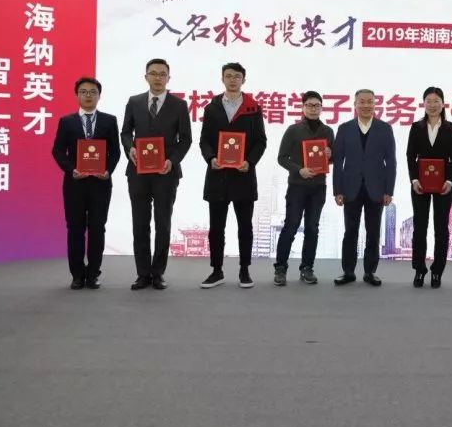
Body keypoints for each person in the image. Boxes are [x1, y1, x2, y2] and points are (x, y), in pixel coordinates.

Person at [120, 58, 192, 291]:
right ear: (146, 77)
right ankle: (142, 274)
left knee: (163, 223)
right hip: (138, 172)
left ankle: (158, 272)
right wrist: (130, 148)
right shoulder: (134, 102)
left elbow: (186, 139)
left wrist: (172, 161)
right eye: (153, 73)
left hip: (166, 172)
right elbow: (125, 132)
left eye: (163, 74)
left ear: (169, 78)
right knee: (140, 223)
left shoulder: (179, 105)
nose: (158, 77)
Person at [198, 62, 267, 290]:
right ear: (222, 79)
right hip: (217, 175)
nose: (233, 80)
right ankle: (216, 271)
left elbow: (261, 141)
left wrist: (250, 162)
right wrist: (211, 158)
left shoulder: (253, 107)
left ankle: (244, 270)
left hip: (243, 175)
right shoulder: (212, 107)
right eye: (228, 76)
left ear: (243, 80)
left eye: (237, 76)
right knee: (216, 228)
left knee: (245, 226)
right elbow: (204, 140)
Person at [51, 77, 121, 290]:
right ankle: (77, 275)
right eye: (83, 92)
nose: (88, 95)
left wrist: (108, 170)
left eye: (93, 92)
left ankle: (93, 274)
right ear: (77, 95)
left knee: (98, 228)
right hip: (75, 184)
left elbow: (115, 151)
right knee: (75, 228)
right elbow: (57, 150)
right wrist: (71, 169)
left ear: (99, 96)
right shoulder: (67, 121)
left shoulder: (109, 120)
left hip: (100, 184)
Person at [332, 89, 396, 287]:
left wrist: (389, 191)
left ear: (375, 105)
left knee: (373, 232)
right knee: (350, 232)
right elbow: (338, 162)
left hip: (376, 189)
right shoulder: (344, 129)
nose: (366, 105)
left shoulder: (385, 129)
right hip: (350, 188)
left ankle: (370, 272)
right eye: (362, 101)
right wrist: (337, 190)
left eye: (370, 102)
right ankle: (348, 271)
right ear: (355, 104)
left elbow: (391, 162)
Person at [273, 91, 334, 286]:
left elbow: (332, 158)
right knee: (291, 225)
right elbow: (282, 158)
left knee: (312, 228)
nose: (313, 109)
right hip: (297, 186)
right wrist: (299, 170)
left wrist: (330, 154)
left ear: (321, 108)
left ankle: (307, 268)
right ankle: (280, 268)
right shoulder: (293, 130)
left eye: (317, 105)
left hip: (318, 187)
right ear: (303, 107)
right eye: (309, 105)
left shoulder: (328, 131)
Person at [405, 87, 452, 289]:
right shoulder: (416, 127)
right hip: (420, 184)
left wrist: (450, 181)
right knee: (419, 227)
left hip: (443, 185)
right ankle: (419, 269)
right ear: (423, 104)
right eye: (428, 101)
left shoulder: (450, 128)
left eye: (436, 101)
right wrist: (413, 179)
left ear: (443, 104)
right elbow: (410, 156)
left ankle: (437, 271)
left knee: (441, 228)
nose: (432, 105)